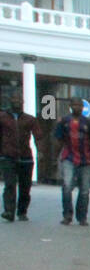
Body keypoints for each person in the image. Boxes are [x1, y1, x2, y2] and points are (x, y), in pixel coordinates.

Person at [53, 99, 90, 226]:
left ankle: (82, 217)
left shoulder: (89, 123)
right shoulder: (64, 122)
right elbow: (58, 140)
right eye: (74, 105)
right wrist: (55, 157)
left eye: (79, 105)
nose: (77, 107)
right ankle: (67, 215)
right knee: (67, 186)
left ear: (83, 107)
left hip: (86, 160)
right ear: (70, 106)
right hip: (68, 158)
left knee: (84, 189)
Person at [0, 90, 42, 222]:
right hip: (8, 156)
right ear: (10, 101)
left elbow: (38, 137)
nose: (16, 101)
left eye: (19, 99)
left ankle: (22, 211)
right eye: (14, 99)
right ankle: (9, 211)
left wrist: (40, 151)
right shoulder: (2, 117)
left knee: (25, 187)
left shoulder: (30, 119)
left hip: (26, 157)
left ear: (23, 102)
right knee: (10, 185)